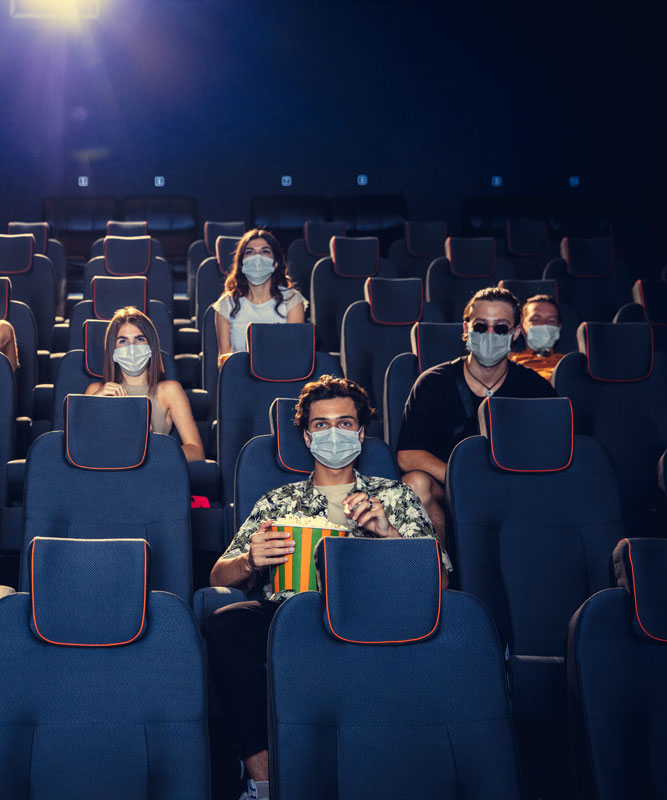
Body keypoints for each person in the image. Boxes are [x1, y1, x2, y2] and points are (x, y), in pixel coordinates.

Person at [204, 376, 448, 800]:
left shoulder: (395, 496)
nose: (333, 433)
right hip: (288, 615)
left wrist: (388, 535)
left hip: (371, 616)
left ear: (361, 431)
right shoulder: (277, 501)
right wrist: (249, 561)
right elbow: (218, 577)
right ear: (305, 434)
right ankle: (263, 782)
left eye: (344, 422)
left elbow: (441, 581)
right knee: (226, 623)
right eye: (321, 425)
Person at [396, 286, 555, 542]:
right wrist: (461, 476)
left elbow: (550, 456)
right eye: (481, 326)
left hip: (514, 490)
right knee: (415, 483)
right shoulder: (433, 383)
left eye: (500, 328)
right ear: (466, 329)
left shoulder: (536, 388)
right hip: (450, 488)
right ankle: (442, 571)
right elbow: (407, 455)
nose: (490, 334)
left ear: (515, 332)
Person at [86, 306, 205, 462]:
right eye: (123, 341)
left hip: (150, 476)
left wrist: (151, 451)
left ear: (151, 346)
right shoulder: (95, 390)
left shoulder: (169, 390)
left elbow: (196, 452)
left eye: (139, 339)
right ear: (112, 350)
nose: (132, 348)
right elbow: (81, 447)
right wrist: (94, 405)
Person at [212, 228, 306, 368]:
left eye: (265, 251)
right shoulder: (226, 304)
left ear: (275, 263)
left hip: (281, 376)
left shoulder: (293, 299)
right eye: (250, 252)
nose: (257, 257)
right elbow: (223, 361)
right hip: (240, 378)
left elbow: (294, 353)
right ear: (241, 263)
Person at [509, 293, 564, 382]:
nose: (543, 324)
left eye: (551, 320)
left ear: (559, 327)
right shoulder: (507, 362)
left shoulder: (570, 363)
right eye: (535, 319)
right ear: (522, 327)